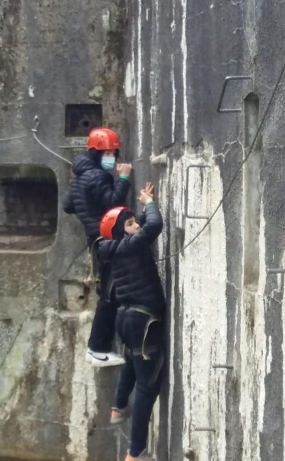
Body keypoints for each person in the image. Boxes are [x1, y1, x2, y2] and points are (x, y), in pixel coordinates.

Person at [97, 183, 165, 461]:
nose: (136, 225)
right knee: (148, 387)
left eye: (135, 221)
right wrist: (149, 204)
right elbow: (155, 225)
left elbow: (140, 226)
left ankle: (117, 406)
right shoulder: (131, 245)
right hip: (143, 319)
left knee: (134, 362)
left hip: (127, 318)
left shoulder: (112, 250)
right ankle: (135, 452)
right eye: (131, 223)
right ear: (121, 232)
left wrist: (141, 209)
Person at [63, 127, 132, 364]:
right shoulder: (97, 176)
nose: (112, 157)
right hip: (105, 238)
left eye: (113, 153)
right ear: (95, 153)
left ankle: (99, 347)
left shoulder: (81, 176)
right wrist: (123, 178)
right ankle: (97, 348)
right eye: (108, 153)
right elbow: (114, 202)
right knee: (110, 295)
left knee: (108, 291)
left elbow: (68, 205)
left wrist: (88, 213)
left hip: (94, 240)